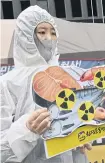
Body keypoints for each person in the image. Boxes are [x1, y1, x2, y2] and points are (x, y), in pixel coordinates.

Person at [0, 5, 91, 163]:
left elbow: (74, 120)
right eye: (42, 32)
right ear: (25, 36)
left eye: (53, 32)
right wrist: (26, 129)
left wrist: (81, 137)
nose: (49, 38)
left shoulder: (65, 77)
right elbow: (2, 151)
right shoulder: (8, 83)